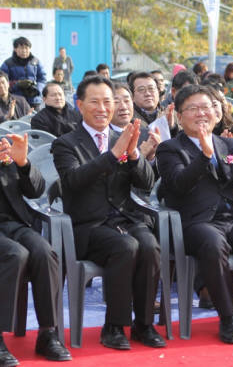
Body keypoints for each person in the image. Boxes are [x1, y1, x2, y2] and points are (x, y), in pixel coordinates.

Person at [156, 85, 233, 343]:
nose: (201, 113)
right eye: (193, 108)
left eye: (206, 107)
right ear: (180, 117)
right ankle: (227, 318)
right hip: (196, 222)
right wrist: (203, 156)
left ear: (216, 113)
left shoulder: (228, 143)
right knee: (214, 244)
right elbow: (178, 183)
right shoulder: (170, 148)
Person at [52, 75, 164, 350]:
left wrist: (135, 156)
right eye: (95, 102)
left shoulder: (123, 136)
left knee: (149, 244)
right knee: (125, 246)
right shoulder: (66, 143)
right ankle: (114, 326)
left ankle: (144, 324)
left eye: (108, 102)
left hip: (124, 219)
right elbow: (73, 182)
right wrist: (112, 155)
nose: (103, 108)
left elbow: (146, 184)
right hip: (87, 226)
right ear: (80, 105)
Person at [0, 133, 72, 364]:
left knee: (44, 252)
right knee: (15, 254)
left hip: (13, 224)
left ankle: (47, 333)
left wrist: (23, 164)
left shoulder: (4, 146)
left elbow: (36, 190)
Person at [110, 84, 161, 165]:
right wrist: (140, 154)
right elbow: (116, 168)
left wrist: (151, 156)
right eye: (116, 102)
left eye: (127, 101)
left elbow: (155, 175)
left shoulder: (146, 134)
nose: (123, 107)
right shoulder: (102, 136)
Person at [1, 36, 47, 109]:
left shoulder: (36, 62)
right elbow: (3, 82)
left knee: (35, 119)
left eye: (26, 48)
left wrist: (37, 89)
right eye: (21, 48)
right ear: (15, 49)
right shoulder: (7, 64)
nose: (24, 50)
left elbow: (42, 79)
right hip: (15, 101)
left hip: (34, 100)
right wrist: (17, 84)